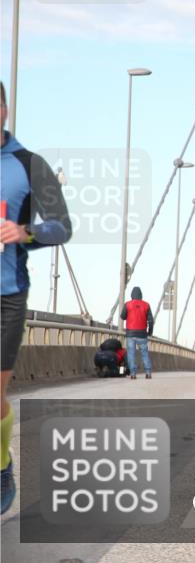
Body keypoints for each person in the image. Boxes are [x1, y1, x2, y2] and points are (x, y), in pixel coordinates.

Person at [1, 80, 73, 513]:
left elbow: (62, 226)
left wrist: (24, 232)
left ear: (4, 110)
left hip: (6, 295)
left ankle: (0, 461)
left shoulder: (30, 165)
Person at [121, 286, 154, 380]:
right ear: (141, 295)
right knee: (144, 353)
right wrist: (150, 332)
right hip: (142, 334)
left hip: (130, 334)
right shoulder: (146, 305)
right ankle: (148, 373)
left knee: (131, 353)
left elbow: (122, 316)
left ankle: (133, 374)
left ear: (132, 295)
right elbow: (151, 320)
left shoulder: (127, 304)